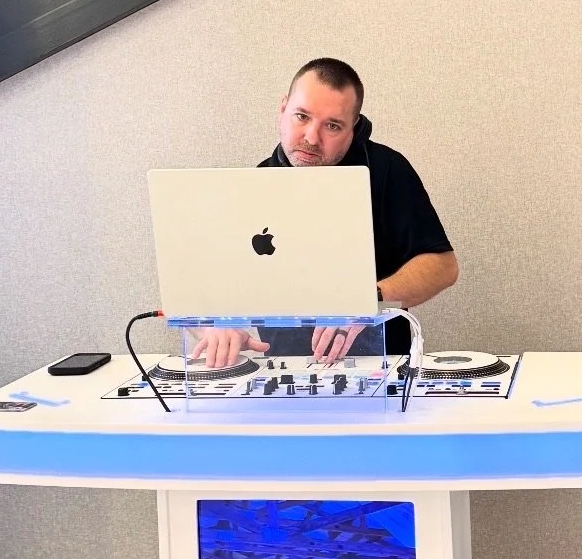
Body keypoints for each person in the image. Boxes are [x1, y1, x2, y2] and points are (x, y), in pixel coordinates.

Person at [190, 58, 458, 366]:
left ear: (354, 129)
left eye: (332, 125)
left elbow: (443, 266)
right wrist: (212, 327)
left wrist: (368, 300)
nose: (312, 137)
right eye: (301, 117)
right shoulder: (256, 182)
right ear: (282, 109)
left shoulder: (387, 170)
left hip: (381, 367)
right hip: (282, 369)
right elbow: (197, 283)